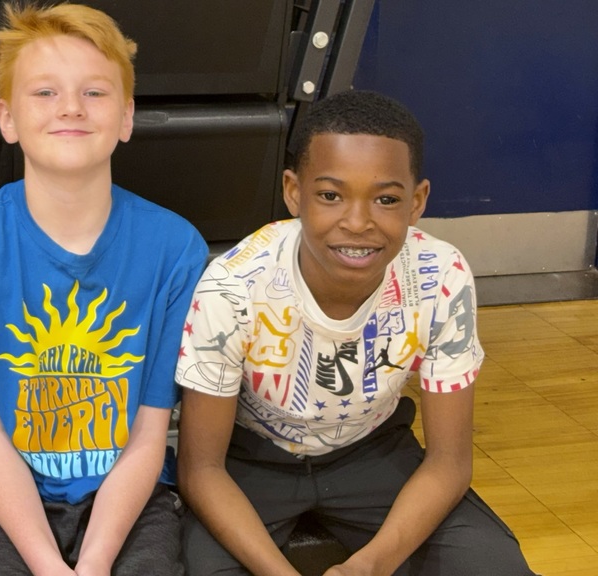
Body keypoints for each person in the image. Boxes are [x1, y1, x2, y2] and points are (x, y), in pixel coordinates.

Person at [176, 90, 536, 575]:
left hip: (374, 453)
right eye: (330, 195)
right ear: (293, 192)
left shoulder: (441, 275)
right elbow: (202, 469)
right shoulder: (233, 286)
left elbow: (449, 463)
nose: (358, 222)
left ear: (417, 201)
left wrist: (368, 567)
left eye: (386, 199)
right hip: (250, 462)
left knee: (495, 566)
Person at [0, 3, 207, 575]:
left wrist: (92, 563)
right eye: (44, 93)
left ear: (126, 116)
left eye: (95, 93)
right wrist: (48, 565)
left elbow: (149, 433)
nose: (70, 107)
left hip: (123, 481)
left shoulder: (176, 248)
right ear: (7, 117)